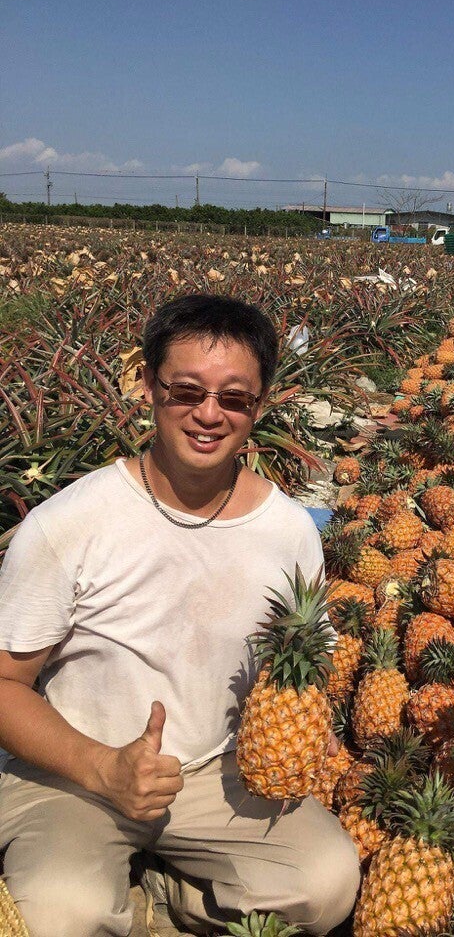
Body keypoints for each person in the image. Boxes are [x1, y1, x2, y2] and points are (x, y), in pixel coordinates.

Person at [0, 294, 360, 937]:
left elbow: (303, 661)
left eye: (234, 398)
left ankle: (175, 890)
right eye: (186, 391)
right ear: (147, 385)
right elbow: (4, 683)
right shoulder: (68, 524)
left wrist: (306, 722)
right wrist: (102, 767)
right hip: (73, 771)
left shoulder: (288, 531)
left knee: (326, 886)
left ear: (261, 404)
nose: (208, 414)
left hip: (214, 775)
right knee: (61, 918)